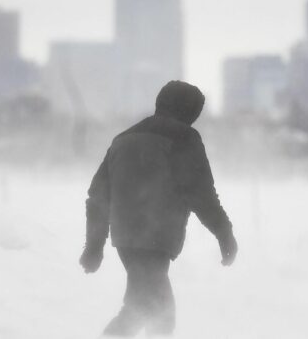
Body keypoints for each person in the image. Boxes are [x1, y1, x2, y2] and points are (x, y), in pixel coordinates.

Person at [79, 80, 238, 337]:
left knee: (146, 309)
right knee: (154, 314)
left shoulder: (123, 139)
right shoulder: (184, 137)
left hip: (126, 240)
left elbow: (98, 196)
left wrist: (94, 246)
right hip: (156, 239)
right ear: (189, 110)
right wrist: (224, 234)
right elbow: (201, 194)